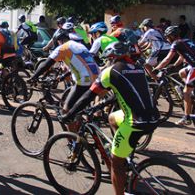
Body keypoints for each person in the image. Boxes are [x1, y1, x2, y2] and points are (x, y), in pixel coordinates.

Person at [60, 41, 159, 195]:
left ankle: (120, 168)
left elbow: (88, 96)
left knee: (116, 164)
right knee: (112, 118)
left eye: (108, 60)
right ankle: (125, 152)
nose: (107, 62)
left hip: (134, 123)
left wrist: (69, 114)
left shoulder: (109, 72)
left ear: (112, 58)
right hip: (153, 117)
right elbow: (125, 93)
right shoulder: (138, 69)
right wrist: (103, 104)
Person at [31, 29, 99, 132]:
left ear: (59, 41)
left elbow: (46, 64)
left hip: (84, 81)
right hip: (97, 77)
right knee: (77, 107)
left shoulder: (62, 48)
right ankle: (79, 128)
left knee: (66, 110)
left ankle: (73, 140)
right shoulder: (80, 46)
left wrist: (34, 77)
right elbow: (80, 65)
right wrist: (61, 77)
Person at [154, 25, 195, 126]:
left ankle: (186, 118)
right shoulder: (185, 41)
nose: (167, 39)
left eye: (167, 37)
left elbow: (167, 58)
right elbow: (182, 56)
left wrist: (156, 68)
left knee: (185, 93)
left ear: (172, 36)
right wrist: (174, 66)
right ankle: (191, 91)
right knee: (182, 72)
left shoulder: (175, 44)